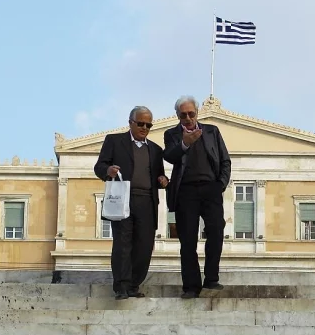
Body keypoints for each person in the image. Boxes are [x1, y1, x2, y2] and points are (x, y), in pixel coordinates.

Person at [93, 106, 168, 300]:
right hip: (122, 198)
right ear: (130, 123)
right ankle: (121, 286)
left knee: (144, 245)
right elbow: (99, 166)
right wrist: (108, 170)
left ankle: (134, 284)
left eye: (148, 125)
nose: (144, 128)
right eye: (141, 123)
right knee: (123, 243)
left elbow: (159, 174)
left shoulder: (156, 149)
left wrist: (163, 180)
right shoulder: (114, 141)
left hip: (147, 201)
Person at [163, 95, 231, 298]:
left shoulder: (212, 131)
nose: (188, 118)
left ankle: (211, 278)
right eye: (183, 115)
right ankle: (191, 286)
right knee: (188, 239)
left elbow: (225, 160)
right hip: (186, 191)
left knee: (216, 230)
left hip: (211, 188)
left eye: (191, 114)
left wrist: (220, 184)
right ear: (177, 115)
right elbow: (169, 156)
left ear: (197, 113)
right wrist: (185, 143)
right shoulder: (172, 134)